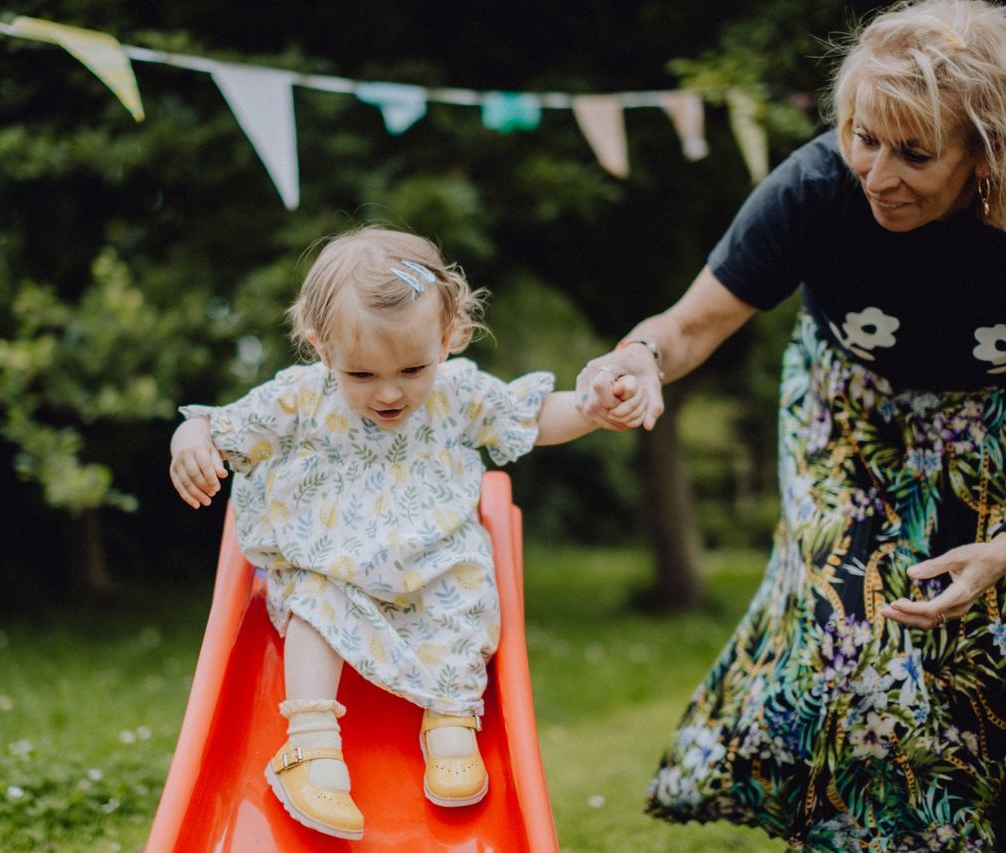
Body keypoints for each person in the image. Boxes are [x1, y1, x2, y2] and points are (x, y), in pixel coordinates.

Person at [577, 0, 1006, 847]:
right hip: (849, 412)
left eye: (915, 153)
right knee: (857, 633)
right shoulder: (815, 189)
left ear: (985, 155)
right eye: (862, 136)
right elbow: (689, 326)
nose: (876, 175)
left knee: (980, 648)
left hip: (989, 419)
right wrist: (635, 357)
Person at [170, 225, 647, 840]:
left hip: (432, 565)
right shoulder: (300, 400)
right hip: (336, 563)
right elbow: (217, 424)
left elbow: (530, 417)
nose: (390, 392)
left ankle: (450, 717)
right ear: (321, 348)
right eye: (362, 375)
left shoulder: (457, 393)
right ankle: (311, 748)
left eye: (412, 368)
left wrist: (589, 409)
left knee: (467, 597)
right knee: (315, 603)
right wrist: (192, 443)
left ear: (447, 339)